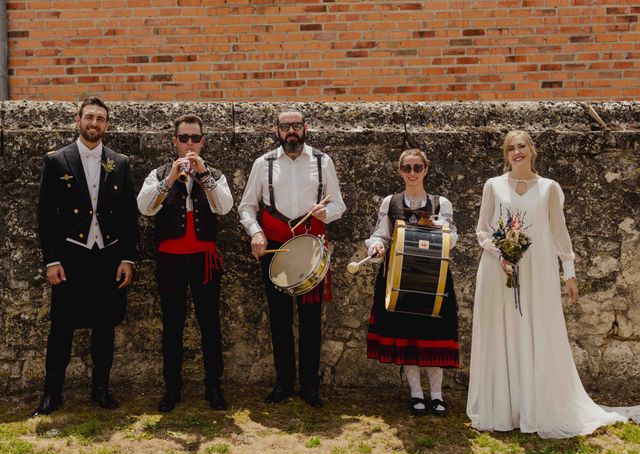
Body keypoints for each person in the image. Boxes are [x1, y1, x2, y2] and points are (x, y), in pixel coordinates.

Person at [466, 130, 640, 438]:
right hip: (497, 270)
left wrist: (569, 273)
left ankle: (535, 408)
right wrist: (501, 253)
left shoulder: (549, 188)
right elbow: (482, 230)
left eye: (521, 146)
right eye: (510, 148)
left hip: (538, 273)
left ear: (532, 150)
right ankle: (505, 410)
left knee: (537, 332)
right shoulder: (493, 185)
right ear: (506, 154)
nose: (516, 152)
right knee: (501, 333)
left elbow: (560, 234)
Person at [34, 97, 138, 416]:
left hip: (107, 256)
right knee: (61, 328)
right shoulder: (57, 160)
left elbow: (128, 217)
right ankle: (53, 393)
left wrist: (127, 259)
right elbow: (45, 214)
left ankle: (101, 389)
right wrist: (51, 260)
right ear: (77, 121)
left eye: (101, 118)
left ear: (107, 125)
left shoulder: (120, 162)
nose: (94, 123)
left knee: (104, 327)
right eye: (89, 117)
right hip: (70, 257)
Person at [238, 109, 346, 407]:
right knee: (279, 319)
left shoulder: (324, 162)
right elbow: (247, 207)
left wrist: (328, 213)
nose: (291, 132)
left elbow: (339, 203)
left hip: (311, 248)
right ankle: (284, 383)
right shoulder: (263, 164)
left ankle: (310, 387)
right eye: (285, 127)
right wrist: (255, 233)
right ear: (277, 131)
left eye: (296, 126)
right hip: (275, 247)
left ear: (305, 128)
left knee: (311, 321)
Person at [137, 114, 233, 412]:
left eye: (195, 138)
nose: (189, 143)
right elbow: (145, 208)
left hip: (204, 259)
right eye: (184, 138)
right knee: (172, 325)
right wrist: (169, 179)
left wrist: (204, 176)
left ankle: (213, 387)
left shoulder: (214, 174)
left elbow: (224, 206)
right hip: (171, 260)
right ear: (174, 141)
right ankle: (172, 388)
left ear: (203, 142)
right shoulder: (158, 173)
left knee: (210, 324)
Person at [365, 149, 460, 416]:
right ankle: (416, 394)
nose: (412, 173)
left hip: (433, 279)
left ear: (426, 170)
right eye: (406, 168)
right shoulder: (390, 202)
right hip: (397, 278)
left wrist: (437, 231)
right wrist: (376, 248)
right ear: (400, 171)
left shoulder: (442, 204)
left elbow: (452, 238)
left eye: (417, 168)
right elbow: (380, 236)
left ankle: (438, 395)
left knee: (434, 335)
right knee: (406, 337)